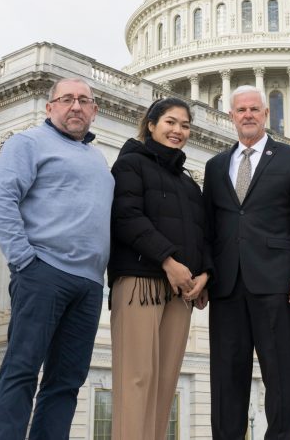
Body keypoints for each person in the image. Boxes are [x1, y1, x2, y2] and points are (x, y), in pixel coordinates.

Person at [0, 78, 113, 440]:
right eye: (67, 99)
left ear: (94, 111)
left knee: (67, 381)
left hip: (88, 285)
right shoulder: (28, 142)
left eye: (84, 101)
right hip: (43, 273)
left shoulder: (97, 158)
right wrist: (25, 260)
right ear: (49, 107)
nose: (76, 106)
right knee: (22, 370)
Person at [204, 85, 290, 440]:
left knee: (279, 373)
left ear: (266, 113)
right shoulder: (215, 165)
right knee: (226, 376)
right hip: (227, 286)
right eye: (241, 110)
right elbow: (208, 227)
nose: (248, 115)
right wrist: (206, 275)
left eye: (255, 109)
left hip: (275, 282)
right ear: (232, 116)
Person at [108, 97, 212, 440]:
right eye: (170, 122)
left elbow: (202, 233)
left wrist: (204, 275)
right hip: (141, 281)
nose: (178, 130)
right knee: (136, 378)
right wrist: (168, 260)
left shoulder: (188, 183)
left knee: (165, 380)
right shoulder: (129, 165)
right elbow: (126, 218)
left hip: (181, 291)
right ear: (151, 124)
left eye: (184, 125)